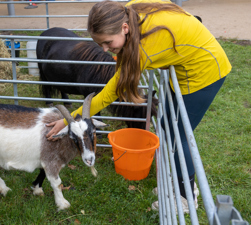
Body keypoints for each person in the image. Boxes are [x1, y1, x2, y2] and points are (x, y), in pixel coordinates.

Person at [46, 0, 231, 212]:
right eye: (99, 45)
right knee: (165, 124)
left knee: (178, 137)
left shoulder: (144, 48)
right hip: (184, 68)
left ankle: (187, 197)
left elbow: (106, 96)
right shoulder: (128, 12)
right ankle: (178, 183)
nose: (105, 49)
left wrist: (66, 120)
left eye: (107, 42)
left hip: (204, 73)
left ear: (125, 29)